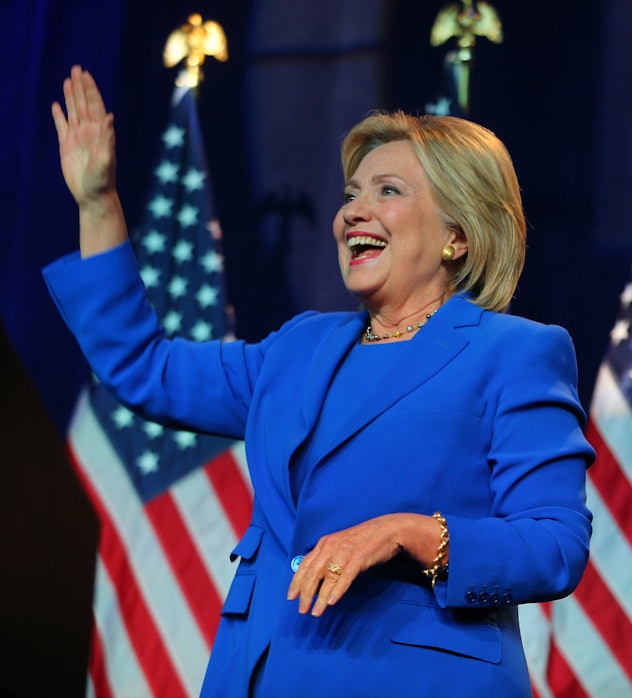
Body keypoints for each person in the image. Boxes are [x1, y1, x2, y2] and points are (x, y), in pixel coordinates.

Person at [45, 65, 594, 698]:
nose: (353, 212)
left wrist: (408, 533)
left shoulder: (516, 353)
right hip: (259, 675)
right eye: (350, 195)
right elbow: (144, 367)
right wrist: (98, 204)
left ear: (458, 235)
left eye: (387, 191)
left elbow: (554, 545)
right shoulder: (300, 347)